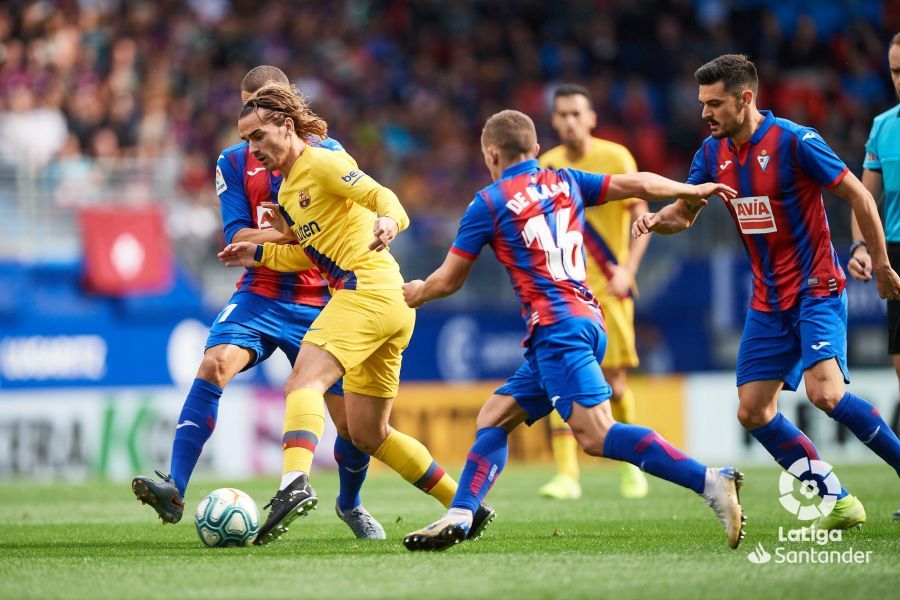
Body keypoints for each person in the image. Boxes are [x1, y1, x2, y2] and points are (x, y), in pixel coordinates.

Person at [401, 109, 745, 552]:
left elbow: (448, 280)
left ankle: (712, 482)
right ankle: (462, 513)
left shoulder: (487, 202)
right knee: (493, 416)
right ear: (536, 150)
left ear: (491, 153)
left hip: (557, 328)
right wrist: (690, 188)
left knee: (596, 435)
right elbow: (638, 183)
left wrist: (418, 293)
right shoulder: (564, 180)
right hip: (586, 318)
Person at [218, 82, 494, 545]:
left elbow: (386, 198)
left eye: (259, 136)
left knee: (303, 382)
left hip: (366, 290)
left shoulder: (322, 162)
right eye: (246, 140)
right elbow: (309, 256)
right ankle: (465, 505)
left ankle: (293, 484)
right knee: (369, 433)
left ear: (286, 126)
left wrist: (389, 221)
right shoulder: (287, 191)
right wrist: (257, 257)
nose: (253, 148)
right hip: (388, 305)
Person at [632, 54, 900, 530]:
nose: (704, 113)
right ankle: (839, 501)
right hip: (767, 299)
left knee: (826, 394)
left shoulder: (796, 142)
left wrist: (880, 263)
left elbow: (860, 195)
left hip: (816, 285)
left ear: (746, 98)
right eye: (702, 103)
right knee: (753, 411)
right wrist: (657, 220)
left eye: (714, 103)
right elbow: (683, 213)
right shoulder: (711, 154)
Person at [131, 66, 385, 540]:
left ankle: (350, 504)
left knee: (352, 428)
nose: (253, 133)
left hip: (322, 299)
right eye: (247, 112)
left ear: (285, 109)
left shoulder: (328, 154)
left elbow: (360, 210)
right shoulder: (232, 161)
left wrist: (292, 234)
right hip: (261, 292)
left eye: (264, 112)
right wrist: (291, 232)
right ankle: (175, 487)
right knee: (213, 366)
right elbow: (237, 236)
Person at [537, 84, 651, 500]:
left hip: (609, 287)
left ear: (590, 118)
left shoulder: (615, 157)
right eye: (561, 114)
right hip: (563, 293)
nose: (568, 120)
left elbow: (643, 217)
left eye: (575, 113)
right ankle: (567, 475)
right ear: (553, 120)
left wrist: (628, 270)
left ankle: (630, 470)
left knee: (616, 385)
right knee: (559, 380)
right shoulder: (545, 165)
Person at [846, 32, 900, 521]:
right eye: (896, 71)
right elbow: (866, 200)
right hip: (897, 257)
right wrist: (863, 246)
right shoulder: (884, 127)